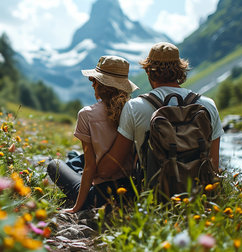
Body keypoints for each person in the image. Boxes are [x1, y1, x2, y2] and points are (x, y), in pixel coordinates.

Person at [96, 42, 224, 183]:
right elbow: (214, 165)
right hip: (200, 194)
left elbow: (109, 168)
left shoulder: (134, 107)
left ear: (148, 71)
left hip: (156, 197)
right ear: (181, 70)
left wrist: (90, 165)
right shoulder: (207, 105)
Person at [47, 55, 139, 213]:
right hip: (131, 192)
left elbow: (90, 168)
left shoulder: (87, 115)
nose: (92, 85)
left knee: (54, 165)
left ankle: (72, 162)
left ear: (100, 84)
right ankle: (73, 160)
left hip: (100, 196)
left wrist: (77, 207)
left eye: (93, 81)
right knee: (79, 160)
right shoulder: (134, 111)